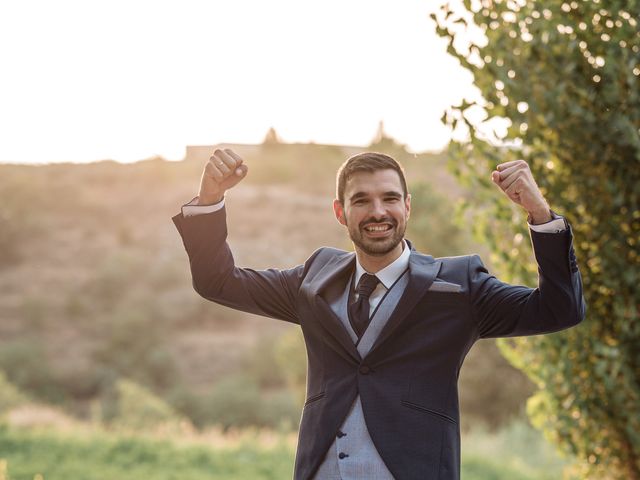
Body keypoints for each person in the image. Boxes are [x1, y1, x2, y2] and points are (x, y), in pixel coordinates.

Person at [172, 148, 585, 480]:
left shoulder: (460, 285)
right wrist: (210, 198)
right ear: (341, 213)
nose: (377, 212)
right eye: (361, 200)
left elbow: (559, 309)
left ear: (407, 206)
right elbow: (217, 281)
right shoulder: (314, 278)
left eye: (389, 198)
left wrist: (539, 214)